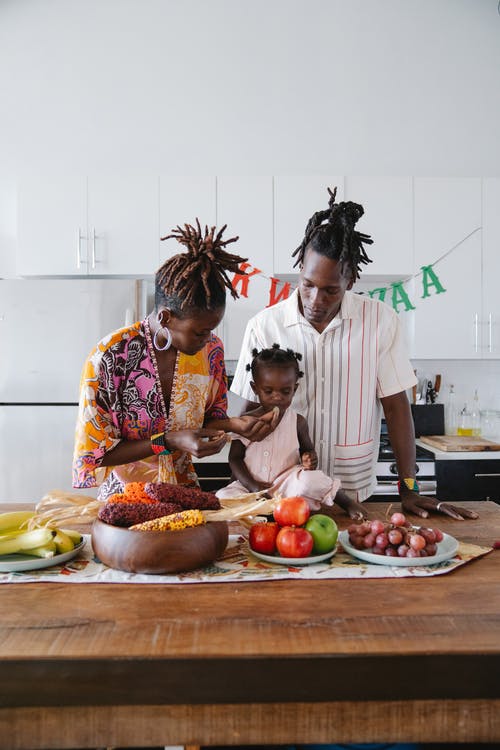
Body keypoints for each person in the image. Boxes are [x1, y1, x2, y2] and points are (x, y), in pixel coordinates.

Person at [231, 188, 478, 521]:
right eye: (307, 283)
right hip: (280, 493)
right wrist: (251, 484)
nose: (315, 299)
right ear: (300, 266)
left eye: (331, 289)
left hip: (355, 493)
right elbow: (248, 415)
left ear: (351, 280)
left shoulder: (380, 320)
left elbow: (396, 405)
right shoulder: (264, 326)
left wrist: (409, 487)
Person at [73, 219, 277, 500]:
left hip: (184, 497)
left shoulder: (211, 353)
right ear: (166, 318)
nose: (208, 340)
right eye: (200, 332)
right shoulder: (109, 358)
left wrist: (232, 425)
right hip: (124, 501)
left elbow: (210, 418)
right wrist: (167, 441)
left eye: (212, 330)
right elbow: (96, 454)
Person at [217, 344, 365, 520]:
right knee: (223, 498)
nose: (277, 397)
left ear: (294, 389)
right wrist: (254, 488)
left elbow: (308, 451)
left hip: (285, 484)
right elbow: (234, 458)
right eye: (268, 391)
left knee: (312, 480)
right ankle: (275, 511)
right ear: (255, 388)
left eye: (285, 391)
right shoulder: (244, 422)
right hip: (249, 486)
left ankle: (346, 502)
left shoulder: (297, 422)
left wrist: (309, 459)